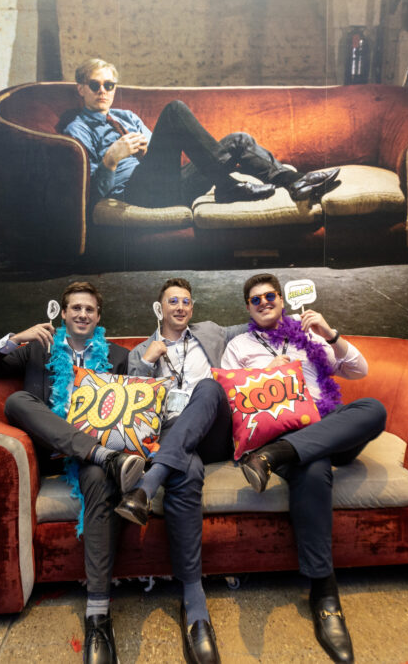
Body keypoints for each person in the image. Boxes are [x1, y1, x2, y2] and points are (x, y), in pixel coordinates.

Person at [0, 281, 145, 664]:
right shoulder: (38, 350)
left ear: (98, 317)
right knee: (17, 400)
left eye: (90, 310)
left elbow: (128, 411)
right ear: (63, 314)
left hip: (95, 460)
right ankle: (102, 456)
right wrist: (16, 338)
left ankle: (97, 615)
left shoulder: (116, 356)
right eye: (75, 308)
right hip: (51, 453)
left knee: (98, 475)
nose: (82, 314)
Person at [218, 273, 387, 664]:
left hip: (325, 428)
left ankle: (278, 456)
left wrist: (330, 334)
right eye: (255, 299)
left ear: (281, 299)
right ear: (247, 307)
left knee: (373, 409)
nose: (263, 303)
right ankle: (325, 596)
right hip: (276, 429)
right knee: (312, 469)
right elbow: (229, 401)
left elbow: (358, 370)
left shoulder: (309, 336)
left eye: (270, 296)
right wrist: (267, 375)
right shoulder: (239, 345)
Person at [116, 278, 241, 664]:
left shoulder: (210, 332)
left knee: (208, 389)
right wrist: (148, 361)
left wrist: (292, 317)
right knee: (186, 471)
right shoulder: (140, 351)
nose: (181, 307)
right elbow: (130, 402)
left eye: (186, 301)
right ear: (160, 308)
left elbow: (257, 323)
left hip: (212, 429)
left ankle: (147, 484)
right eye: (173, 301)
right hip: (168, 434)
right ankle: (193, 598)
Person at [64, 58, 340, 208]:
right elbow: (87, 194)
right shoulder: (77, 129)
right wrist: (112, 159)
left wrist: (151, 147)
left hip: (170, 184)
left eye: (109, 85)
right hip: (135, 193)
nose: (103, 91)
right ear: (81, 88)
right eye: (95, 84)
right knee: (174, 110)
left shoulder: (127, 117)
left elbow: (158, 153)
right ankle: (227, 185)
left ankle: (296, 182)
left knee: (239, 140)